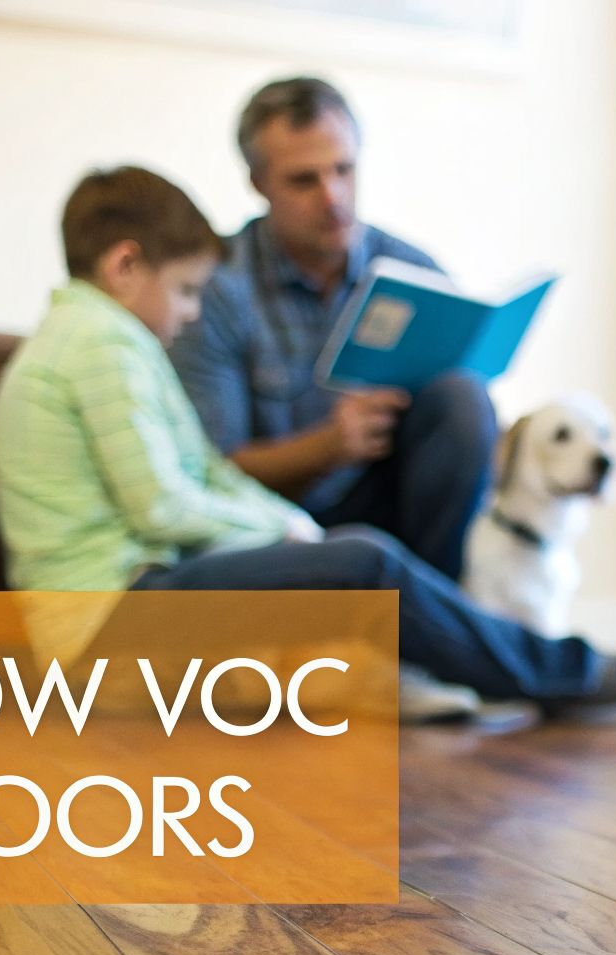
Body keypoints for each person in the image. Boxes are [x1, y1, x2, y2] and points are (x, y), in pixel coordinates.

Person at [0, 166, 616, 706]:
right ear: (125, 267)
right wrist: (285, 535)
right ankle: (565, 676)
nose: (193, 312)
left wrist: (288, 525)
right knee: (366, 563)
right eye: (188, 290)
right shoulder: (100, 344)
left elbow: (200, 473)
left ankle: (515, 670)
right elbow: (162, 507)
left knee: (351, 553)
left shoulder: (99, 339)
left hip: (126, 603)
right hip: (105, 627)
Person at [171, 77, 491, 582]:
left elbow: (465, 435)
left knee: (464, 399)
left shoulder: (412, 272)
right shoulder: (214, 291)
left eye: (344, 169)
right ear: (259, 184)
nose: (333, 196)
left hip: (405, 512)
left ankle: (438, 615)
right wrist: (328, 446)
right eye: (304, 180)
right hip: (281, 528)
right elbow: (211, 475)